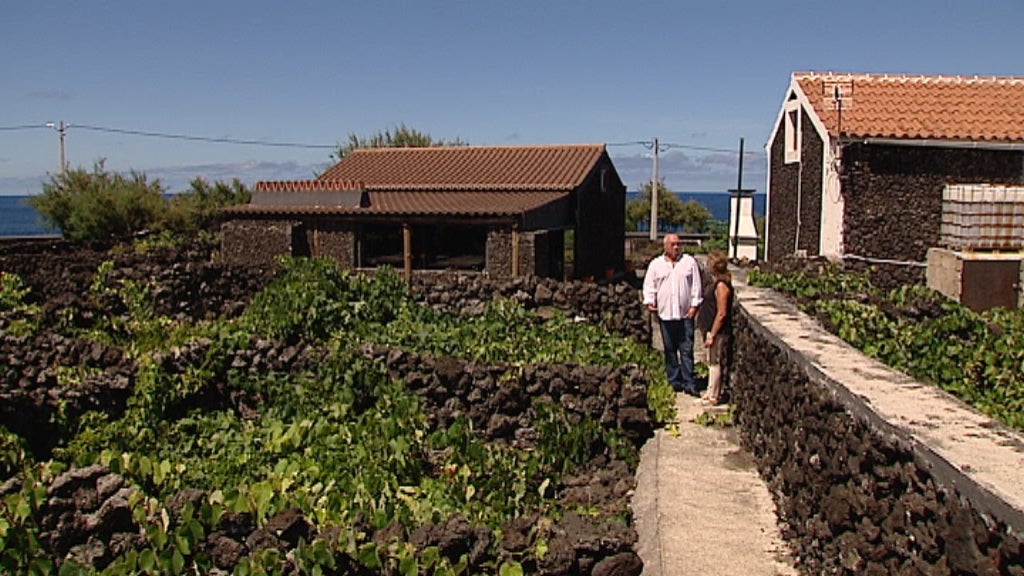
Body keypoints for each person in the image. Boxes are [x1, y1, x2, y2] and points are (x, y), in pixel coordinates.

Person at [642, 233, 703, 394]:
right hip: (666, 315)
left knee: (686, 349)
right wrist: (650, 301)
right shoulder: (656, 265)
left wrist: (694, 306)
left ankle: (689, 382)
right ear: (665, 246)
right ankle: (674, 381)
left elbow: (696, 286)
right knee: (670, 350)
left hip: (685, 315)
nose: (676, 247)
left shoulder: (689, 262)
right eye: (673, 244)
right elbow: (649, 286)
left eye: (678, 244)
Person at [696, 252, 734, 405]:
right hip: (710, 328)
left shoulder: (721, 286)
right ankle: (710, 391)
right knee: (711, 360)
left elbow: (722, 312)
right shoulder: (717, 283)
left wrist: (712, 332)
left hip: (717, 330)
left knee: (715, 362)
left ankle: (714, 395)